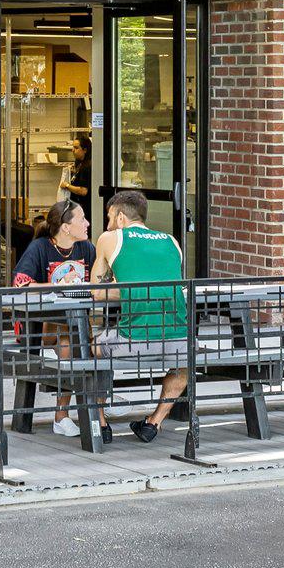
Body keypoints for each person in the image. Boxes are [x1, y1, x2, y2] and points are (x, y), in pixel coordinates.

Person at [91, 190, 187, 444]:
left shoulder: (110, 238)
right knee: (187, 358)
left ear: (121, 217)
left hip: (133, 342)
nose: (109, 223)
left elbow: (97, 293)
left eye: (110, 217)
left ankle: (101, 422)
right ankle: (153, 422)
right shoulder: (171, 241)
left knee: (95, 347)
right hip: (177, 339)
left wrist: (122, 288)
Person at [12, 198, 110, 443]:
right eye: (82, 219)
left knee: (96, 344)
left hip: (76, 324)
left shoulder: (86, 248)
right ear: (66, 227)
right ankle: (61, 416)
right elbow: (20, 284)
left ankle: (97, 405)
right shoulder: (40, 248)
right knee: (71, 342)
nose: (87, 223)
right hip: (37, 328)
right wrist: (55, 285)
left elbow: (102, 280)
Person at [60, 134, 93, 206]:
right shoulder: (79, 163)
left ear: (85, 150)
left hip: (84, 207)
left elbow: (83, 191)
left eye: (76, 148)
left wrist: (67, 185)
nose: (73, 150)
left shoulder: (87, 166)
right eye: (73, 147)